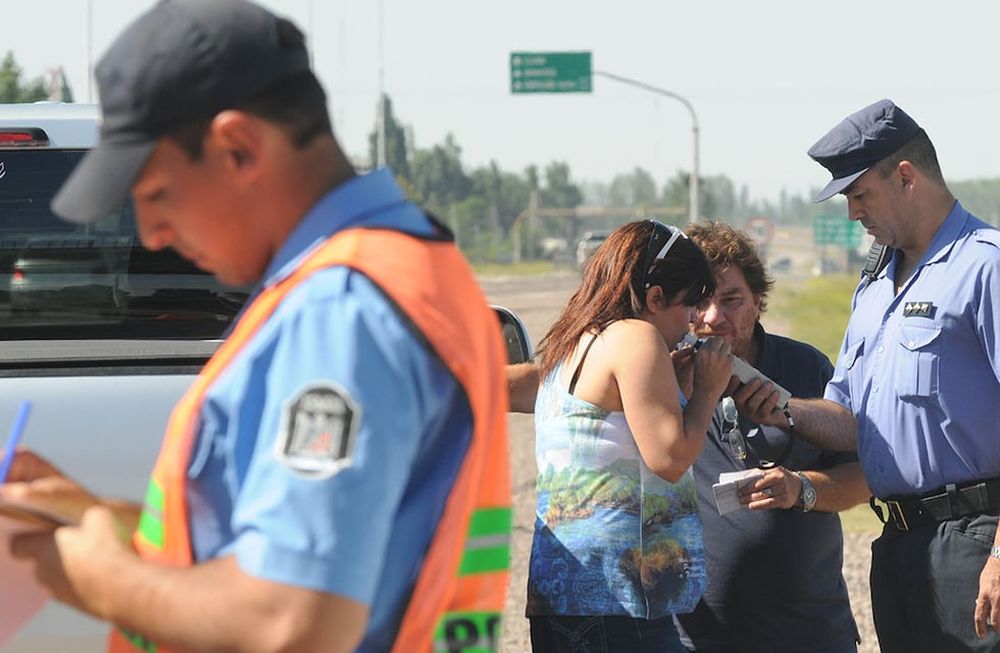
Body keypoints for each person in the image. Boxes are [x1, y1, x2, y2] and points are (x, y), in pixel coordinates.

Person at [1, 1, 511, 652]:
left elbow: (293, 622)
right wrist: (106, 525)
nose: (152, 234)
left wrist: (109, 581)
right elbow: (310, 557)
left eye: (156, 195)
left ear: (239, 146)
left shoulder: (342, 307)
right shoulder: (404, 266)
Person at [740, 98, 1000, 652]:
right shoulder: (874, 287)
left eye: (859, 194)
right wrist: (783, 405)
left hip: (974, 544)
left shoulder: (986, 267)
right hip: (899, 547)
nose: (852, 213)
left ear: (905, 176)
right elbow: (852, 422)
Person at [525, 219, 734, 652]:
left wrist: (675, 390)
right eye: (688, 307)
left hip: (563, 596)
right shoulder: (637, 336)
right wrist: (708, 392)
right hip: (617, 600)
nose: (692, 324)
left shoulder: (574, 342)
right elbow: (670, 457)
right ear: (655, 297)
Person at [672, 221, 869, 653]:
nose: (713, 317)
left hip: (810, 632)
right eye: (699, 301)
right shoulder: (664, 378)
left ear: (758, 301)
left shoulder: (804, 367)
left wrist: (801, 489)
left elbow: (865, 475)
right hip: (696, 637)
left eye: (731, 300)